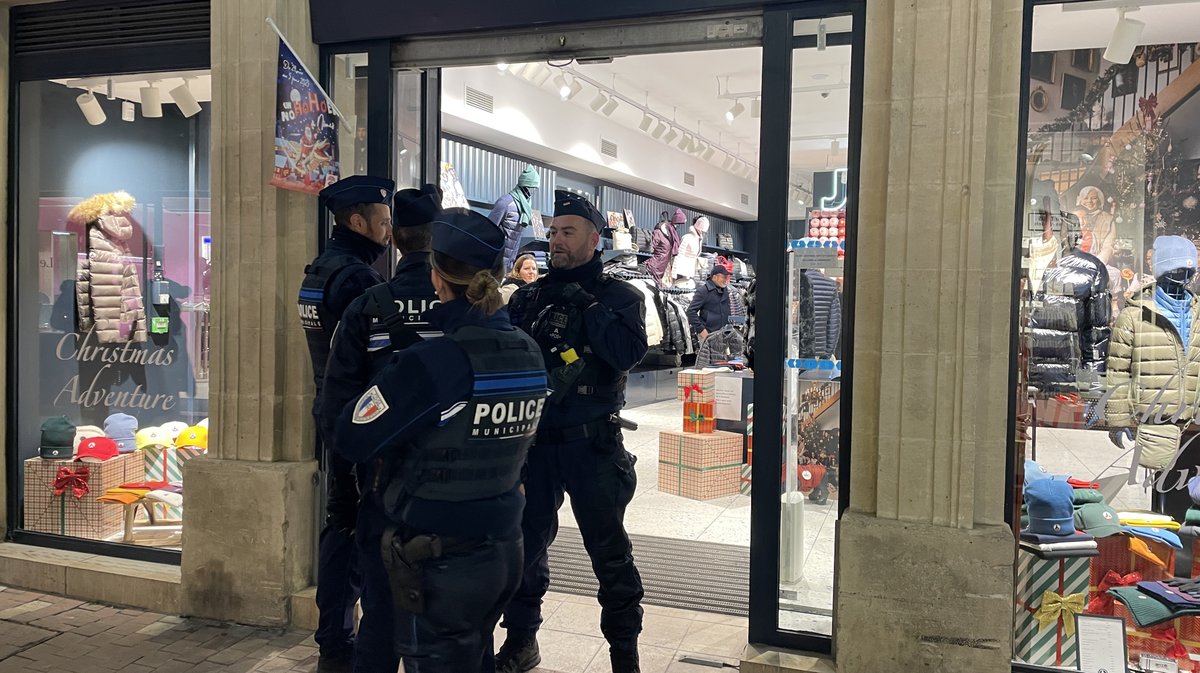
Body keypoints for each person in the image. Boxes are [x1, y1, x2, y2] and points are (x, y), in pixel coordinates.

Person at [334, 209, 547, 673]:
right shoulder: (527, 350)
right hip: (504, 546)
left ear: (437, 277)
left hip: (437, 558)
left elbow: (351, 436)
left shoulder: (435, 361)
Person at [499, 190, 648, 673]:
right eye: (553, 232)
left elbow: (625, 354)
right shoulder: (528, 297)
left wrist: (586, 305)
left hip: (594, 445)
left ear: (594, 239)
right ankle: (521, 642)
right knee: (524, 547)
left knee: (610, 556)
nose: (556, 241)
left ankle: (625, 657)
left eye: (568, 232)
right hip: (534, 447)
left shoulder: (620, 297)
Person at [318, 183, 444, 673]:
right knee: (442, 610)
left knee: (378, 601)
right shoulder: (463, 312)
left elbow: (338, 396)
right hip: (443, 479)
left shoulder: (366, 299)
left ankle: (334, 646)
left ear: (398, 240)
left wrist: (349, 460)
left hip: (375, 470)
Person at [297, 174, 394, 673]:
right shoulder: (359, 279)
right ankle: (339, 643)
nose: (389, 230)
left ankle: (333, 637)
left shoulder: (319, 270)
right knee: (355, 528)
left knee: (340, 523)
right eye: (382, 220)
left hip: (332, 412)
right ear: (358, 221)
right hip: (359, 420)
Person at [490, 165, 541, 273]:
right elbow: (489, 229)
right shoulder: (505, 202)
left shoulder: (525, 206)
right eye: (532, 187)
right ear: (526, 185)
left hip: (510, 259)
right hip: (496, 259)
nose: (533, 191)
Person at [687, 259, 734, 342]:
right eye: (723, 277)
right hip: (709, 334)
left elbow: (730, 311)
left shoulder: (726, 290)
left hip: (724, 334)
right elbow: (691, 311)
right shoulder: (703, 291)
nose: (726, 280)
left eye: (727, 277)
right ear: (714, 277)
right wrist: (701, 330)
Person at [1075, 185, 1116, 265]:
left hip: (1100, 263)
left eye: (1094, 198)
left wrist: (1098, 263)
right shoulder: (1072, 216)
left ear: (1099, 200)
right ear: (1080, 200)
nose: (1089, 201)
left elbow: (1108, 245)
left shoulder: (1107, 219)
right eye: (1086, 198)